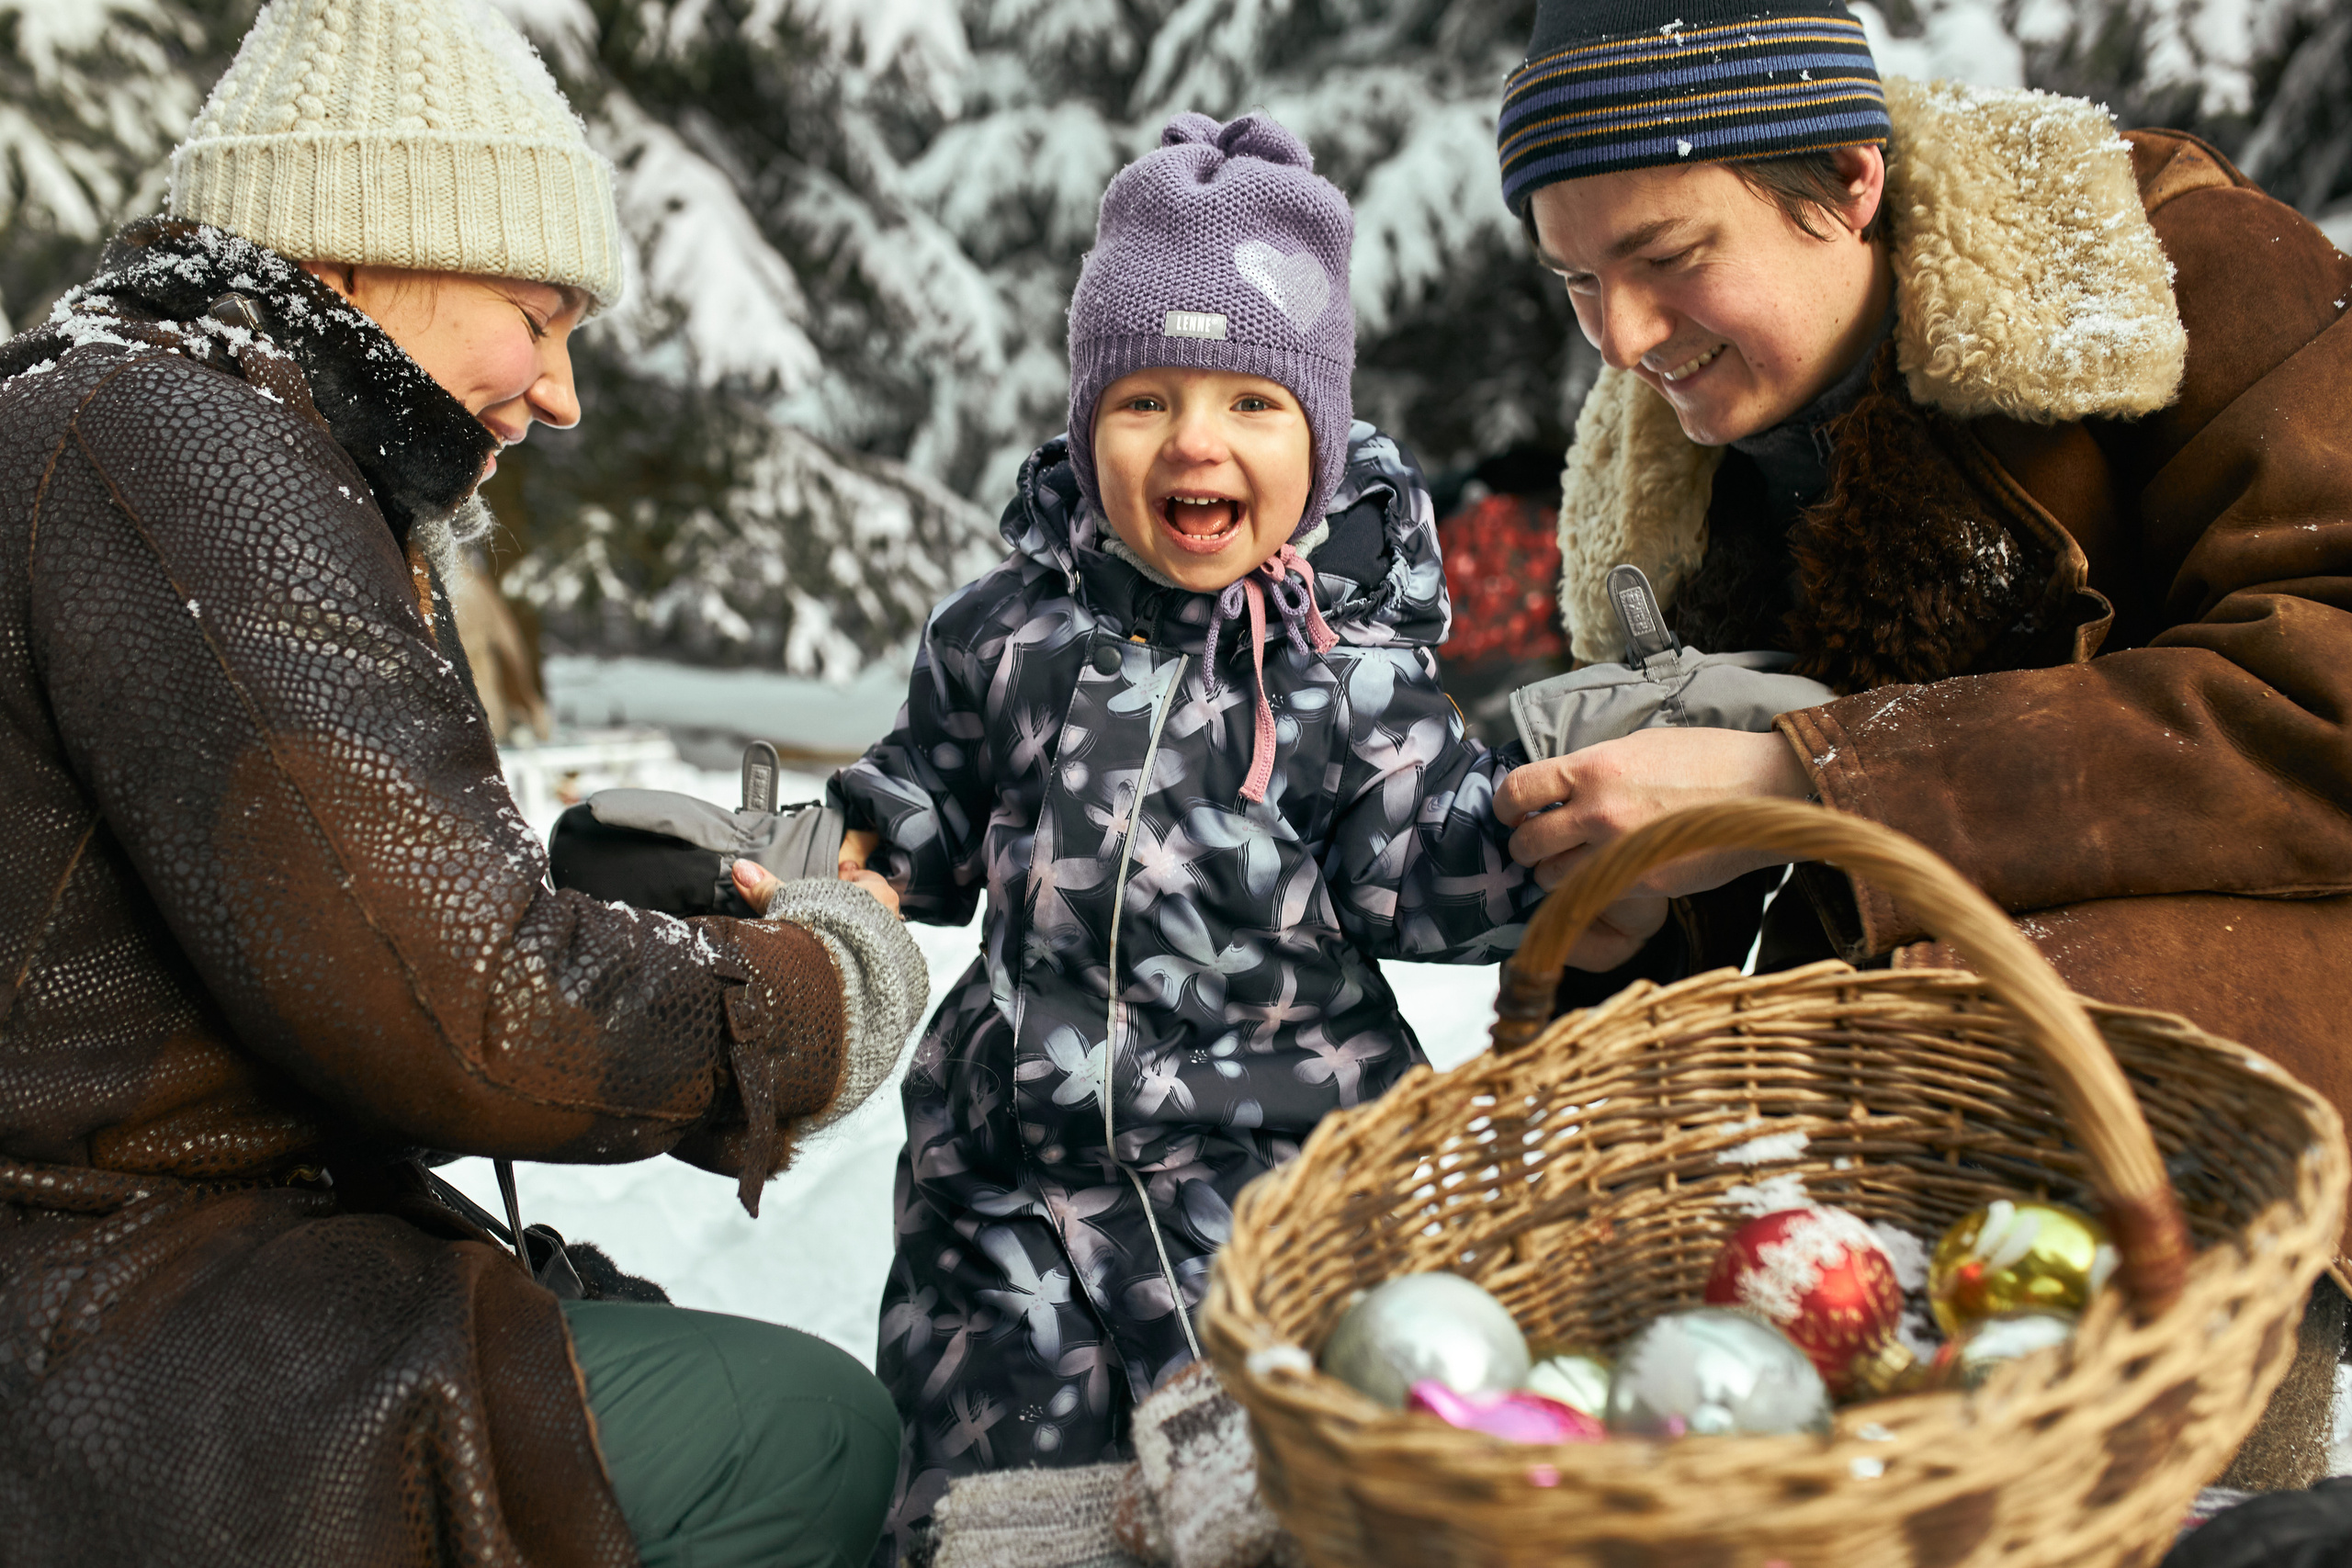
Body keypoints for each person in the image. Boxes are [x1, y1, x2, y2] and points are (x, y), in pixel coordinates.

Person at [0, 2, 924, 1564]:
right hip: (100, 1311)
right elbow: (463, 1017)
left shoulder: (122, 418)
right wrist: (825, 988)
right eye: (538, 312)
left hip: (138, 1251)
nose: (563, 393)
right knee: (803, 1435)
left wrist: (571, 907)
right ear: (359, 249)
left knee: (615, 1331)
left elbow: (331, 937)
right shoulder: (192, 448)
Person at [1491, 0, 2352, 1485]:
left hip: (2211, 1117)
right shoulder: (1661, 497)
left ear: (1850, 181)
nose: (1622, 342)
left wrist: (1809, 775)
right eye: (1577, 281)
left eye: (1670, 260)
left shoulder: (2176, 274)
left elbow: (2324, 695)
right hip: (1868, 1185)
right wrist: (1634, 919)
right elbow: (1719, 968)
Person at [827, 112, 1548, 1554]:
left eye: (1251, 402)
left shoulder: (1349, 669)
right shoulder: (1000, 633)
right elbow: (929, 799)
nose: (1194, 439)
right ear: (1088, 417)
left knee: (1275, 1516)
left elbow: (1432, 875)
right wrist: (855, 861)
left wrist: (1558, 836)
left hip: (1270, 1189)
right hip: (1008, 1194)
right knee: (997, 1513)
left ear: (1322, 437)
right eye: (1144, 398)